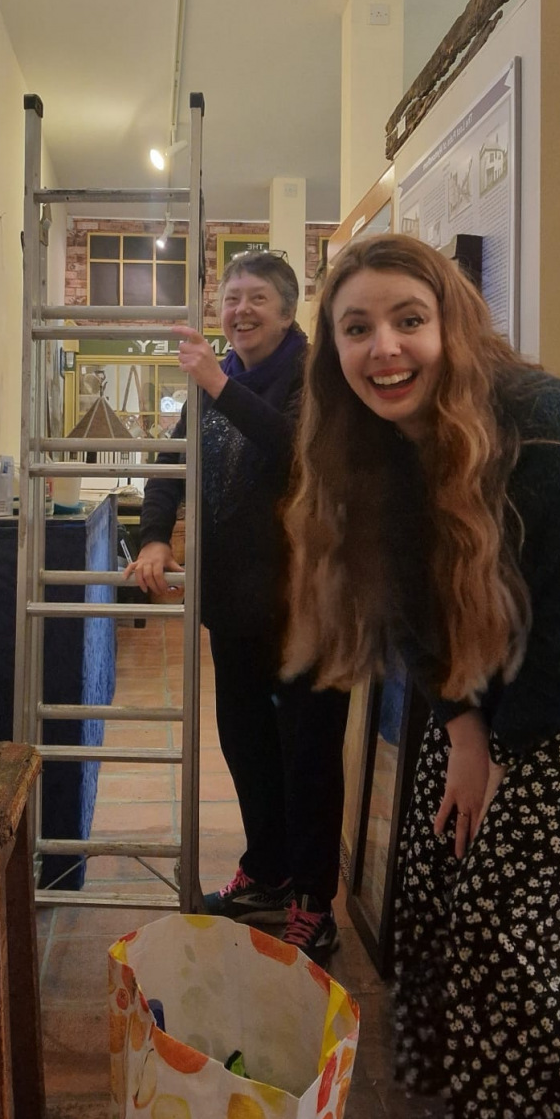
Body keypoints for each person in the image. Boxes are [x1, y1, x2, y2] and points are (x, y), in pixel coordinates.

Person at [283, 234, 560, 1116]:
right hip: (498, 683)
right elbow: (410, 611)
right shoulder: (375, 441)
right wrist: (465, 730)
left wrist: (500, 746)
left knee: (510, 922)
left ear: (454, 323)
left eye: (408, 320)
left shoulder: (550, 430)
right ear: (335, 351)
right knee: (438, 876)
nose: (383, 348)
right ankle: (461, 1091)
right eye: (356, 328)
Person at [126, 250, 350, 963]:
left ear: (288, 310)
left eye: (255, 298)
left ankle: (314, 903)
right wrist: (156, 538)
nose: (239, 311)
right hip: (235, 609)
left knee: (307, 758)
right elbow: (170, 466)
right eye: (230, 299)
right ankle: (268, 872)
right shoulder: (212, 383)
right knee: (248, 749)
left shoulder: (321, 376)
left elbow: (296, 451)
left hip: (308, 613)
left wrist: (218, 382)